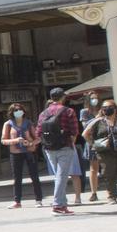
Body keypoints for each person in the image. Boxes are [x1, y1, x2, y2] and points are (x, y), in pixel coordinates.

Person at [34, 87, 82, 215]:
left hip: (49, 148)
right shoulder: (69, 111)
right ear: (63, 97)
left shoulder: (43, 113)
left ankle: (63, 204)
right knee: (62, 176)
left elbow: (38, 132)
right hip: (65, 146)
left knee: (59, 176)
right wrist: (71, 142)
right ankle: (57, 205)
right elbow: (74, 131)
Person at [0, 103, 44, 208]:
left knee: (34, 176)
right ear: (11, 113)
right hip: (15, 154)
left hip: (29, 152)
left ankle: (38, 200)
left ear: (23, 111)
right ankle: (17, 201)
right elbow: (3, 140)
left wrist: (31, 143)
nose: (18, 112)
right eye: (15, 110)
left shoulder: (28, 123)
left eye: (20, 110)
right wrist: (15, 140)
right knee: (17, 178)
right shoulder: (8, 124)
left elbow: (38, 138)